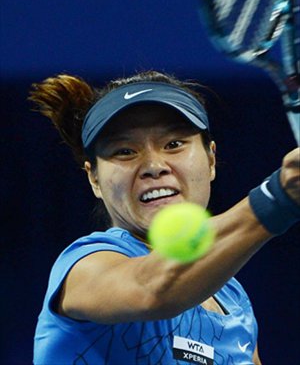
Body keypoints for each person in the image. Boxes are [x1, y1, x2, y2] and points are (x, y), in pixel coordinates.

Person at [30, 70, 300, 365]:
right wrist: (276, 199)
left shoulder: (232, 300)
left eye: (173, 144)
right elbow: (153, 290)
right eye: (125, 151)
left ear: (211, 160)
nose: (153, 165)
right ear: (94, 179)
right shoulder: (83, 267)